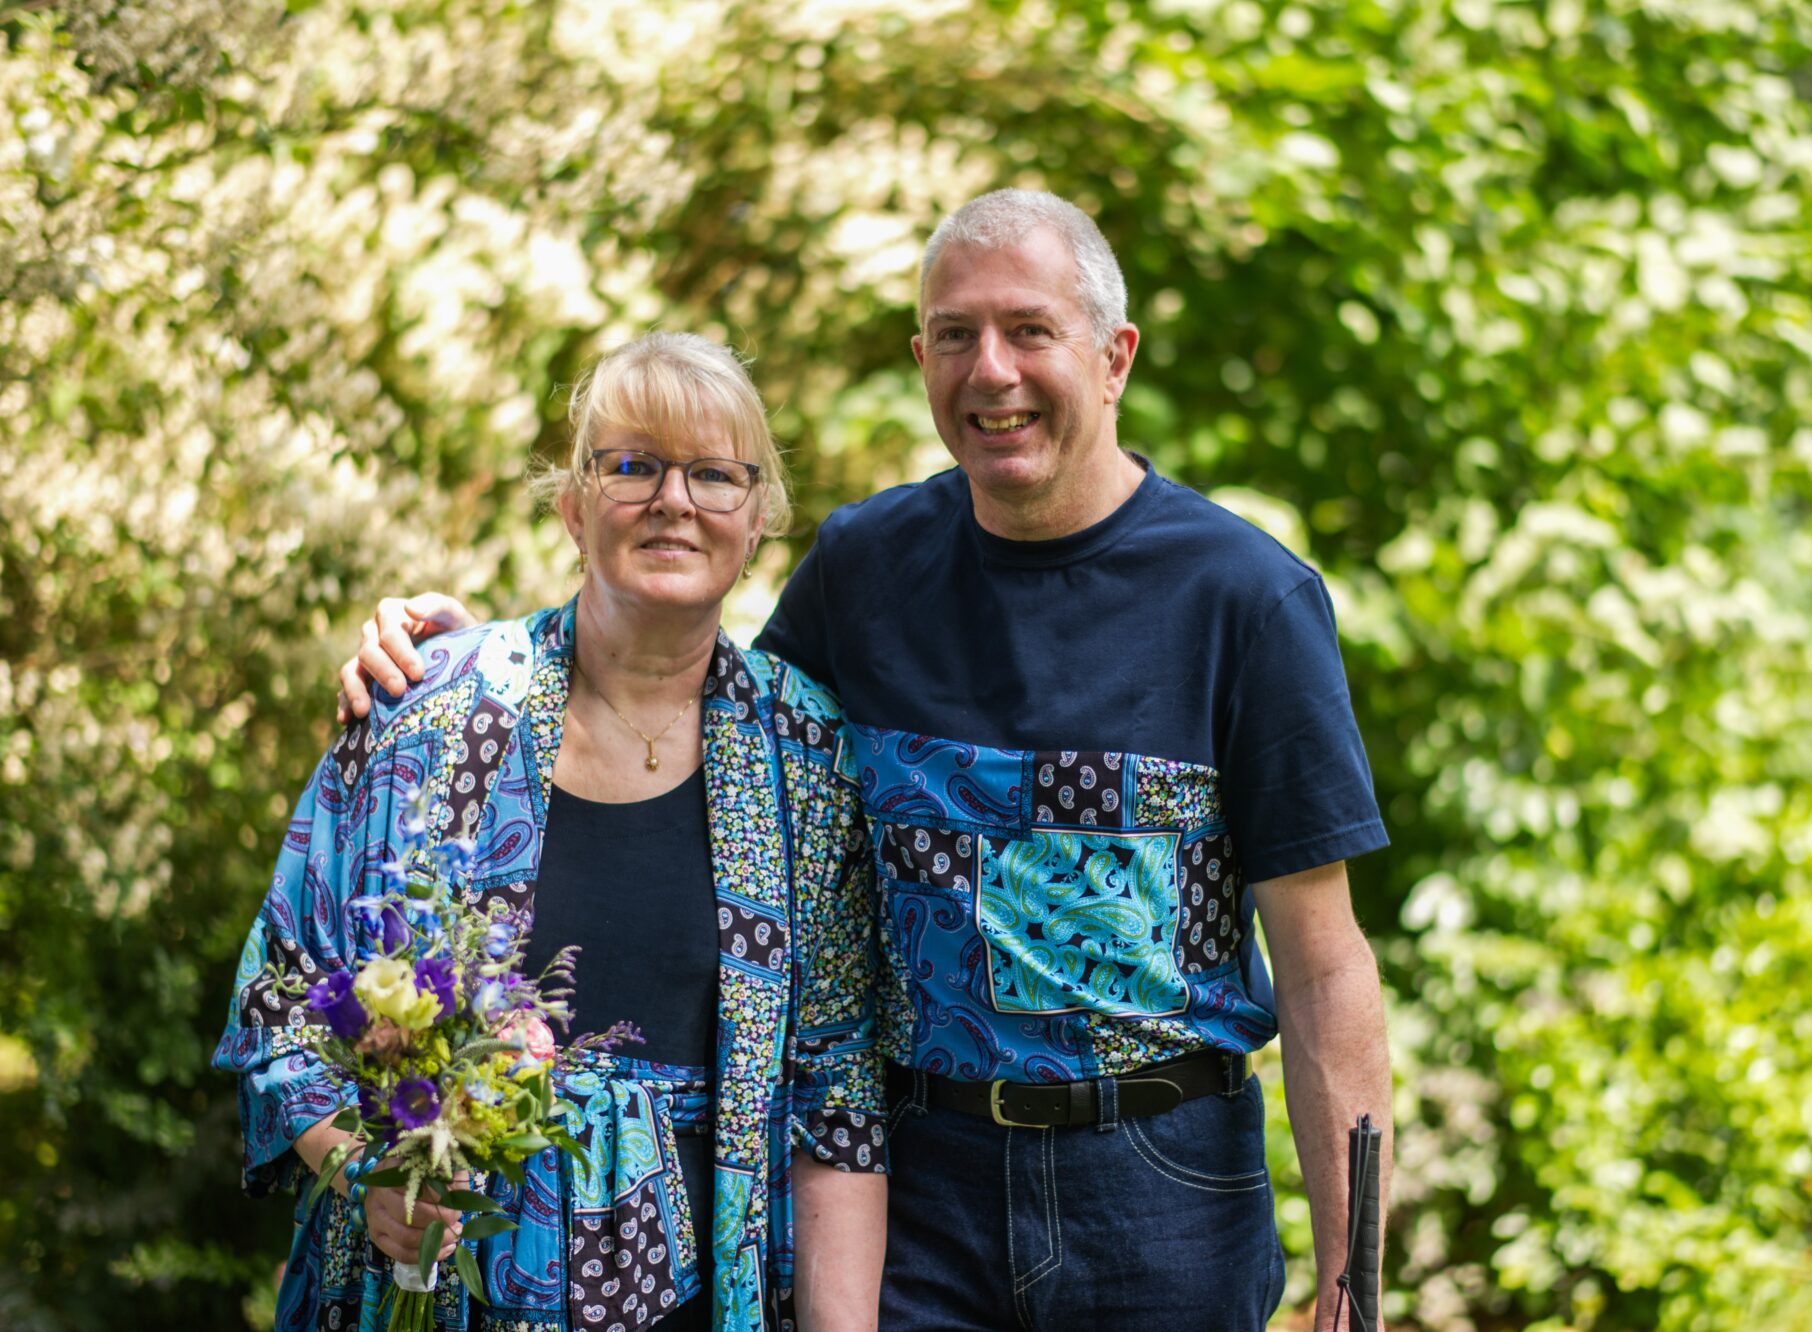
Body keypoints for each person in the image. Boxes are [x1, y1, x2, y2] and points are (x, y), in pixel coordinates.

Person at [337, 190, 1394, 1332]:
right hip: (918, 1179)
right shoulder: (867, 567)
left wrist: (1354, 1284)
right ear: (921, 357)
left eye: (1029, 330)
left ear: (1112, 357)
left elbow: (1323, 967)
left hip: (1159, 1190)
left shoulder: (1245, 599)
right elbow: (686, 703)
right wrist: (472, 657)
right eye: (953, 335)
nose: (989, 370)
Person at [216, 332, 888, 1332]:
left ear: (754, 525)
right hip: (426, 1291)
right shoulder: (430, 712)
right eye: (633, 465)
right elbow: (280, 995)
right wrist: (366, 1174)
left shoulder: (807, 756)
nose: (672, 498)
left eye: (711, 474)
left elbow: (837, 1105)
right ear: (573, 507)